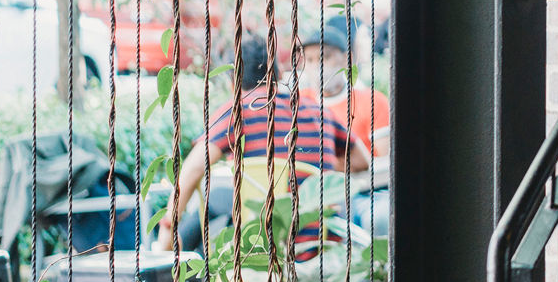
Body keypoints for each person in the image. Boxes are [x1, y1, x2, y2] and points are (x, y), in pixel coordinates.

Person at [162, 32, 370, 254]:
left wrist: (168, 226)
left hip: (264, 253)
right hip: (322, 250)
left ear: (233, 81)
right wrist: (309, 168)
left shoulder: (240, 111)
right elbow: (361, 160)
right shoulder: (318, 112)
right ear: (278, 74)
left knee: (214, 201)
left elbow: (193, 167)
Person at [297, 22, 391, 152]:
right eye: (309, 59)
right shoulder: (299, 102)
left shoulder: (372, 102)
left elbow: (385, 160)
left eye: (324, 57)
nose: (316, 66)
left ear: (347, 59)